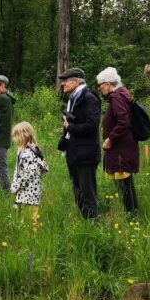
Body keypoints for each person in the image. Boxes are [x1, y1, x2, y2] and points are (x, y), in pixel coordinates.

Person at [58, 67, 102, 220]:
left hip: (86, 155)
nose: (62, 84)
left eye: (65, 81)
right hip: (74, 153)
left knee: (87, 193)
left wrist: (70, 127)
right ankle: (86, 223)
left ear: (76, 81)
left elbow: (92, 125)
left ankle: (93, 226)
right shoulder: (73, 99)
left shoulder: (89, 98)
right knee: (78, 193)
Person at [96, 67, 140, 215]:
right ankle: (133, 213)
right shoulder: (120, 96)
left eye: (100, 85)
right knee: (126, 183)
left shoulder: (116, 97)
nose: (99, 88)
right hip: (123, 147)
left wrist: (110, 139)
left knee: (123, 184)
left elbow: (123, 121)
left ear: (108, 84)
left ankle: (131, 215)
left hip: (120, 149)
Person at [10, 121, 48, 229]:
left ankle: (32, 235)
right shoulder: (23, 151)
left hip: (29, 192)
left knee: (31, 217)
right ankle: (26, 233)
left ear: (23, 136)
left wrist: (16, 187)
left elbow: (28, 174)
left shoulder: (28, 154)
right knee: (25, 216)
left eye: (15, 136)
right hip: (25, 192)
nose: (13, 139)